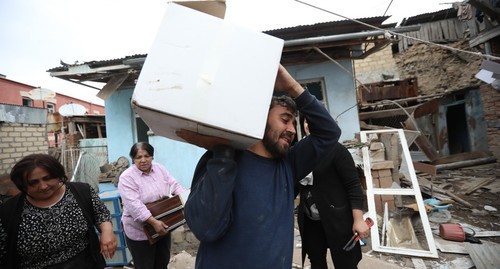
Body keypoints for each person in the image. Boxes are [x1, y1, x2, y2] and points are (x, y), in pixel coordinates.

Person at [176, 64, 342, 269]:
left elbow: (329, 133)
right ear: (261, 119)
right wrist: (223, 154)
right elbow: (207, 229)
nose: (292, 129)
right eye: (285, 120)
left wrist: (291, 86)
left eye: (294, 123)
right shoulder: (219, 159)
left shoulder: (288, 165)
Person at [0, 153, 117, 268]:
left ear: (58, 175)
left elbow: (101, 214)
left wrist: (107, 230)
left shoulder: (81, 191)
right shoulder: (8, 211)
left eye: (47, 178)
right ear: (23, 185)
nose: (43, 186)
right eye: (33, 182)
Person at [297, 119, 370, 269]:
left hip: (338, 220)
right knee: (316, 261)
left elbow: (354, 186)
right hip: (310, 221)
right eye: (306, 120)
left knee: (346, 262)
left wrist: (358, 219)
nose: (309, 124)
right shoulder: (300, 152)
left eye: (314, 118)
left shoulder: (337, 150)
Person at [118, 142, 187, 269]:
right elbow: (135, 205)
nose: (143, 160)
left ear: (152, 157)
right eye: (139, 157)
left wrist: (185, 199)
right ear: (133, 159)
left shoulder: (159, 168)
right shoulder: (126, 178)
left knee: (162, 263)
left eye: (147, 156)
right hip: (140, 231)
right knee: (145, 265)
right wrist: (154, 222)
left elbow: (173, 185)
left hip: (163, 225)